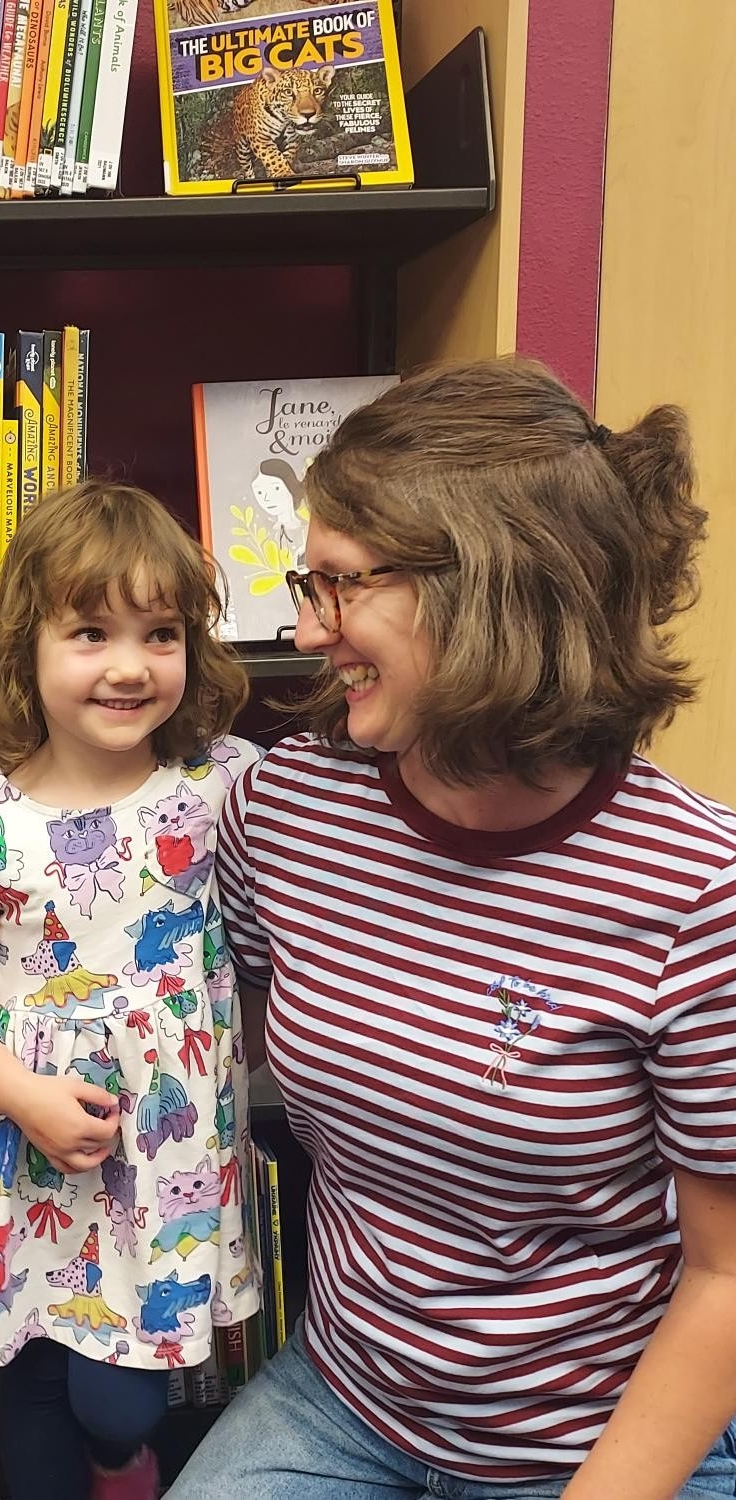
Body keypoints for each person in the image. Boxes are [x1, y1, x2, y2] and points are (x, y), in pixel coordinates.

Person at [168, 359, 736, 1499]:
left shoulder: (698, 892)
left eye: (337, 583)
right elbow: (199, 1020)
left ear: (488, 588)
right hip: (343, 1400)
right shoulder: (282, 811)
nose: (306, 625)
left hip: (599, 1437)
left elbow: (728, 1279)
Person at [0, 481, 263, 1500]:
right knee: (31, 1369)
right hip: (31, 1143)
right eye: (91, 631)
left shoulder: (222, 784)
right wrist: (16, 1096)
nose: (127, 665)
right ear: (27, 645)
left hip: (165, 1150)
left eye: (160, 633)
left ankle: (124, 1458)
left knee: (120, 1399)